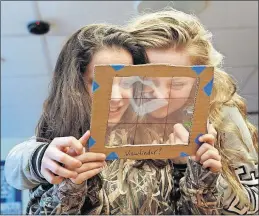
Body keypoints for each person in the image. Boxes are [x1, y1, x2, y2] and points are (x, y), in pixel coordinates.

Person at [5, 21, 222, 215]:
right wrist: (64, 183)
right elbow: (17, 165)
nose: (117, 97)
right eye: (98, 82)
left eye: (126, 81)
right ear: (75, 83)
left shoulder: (159, 135)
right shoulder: (56, 143)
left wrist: (198, 179)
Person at [127, 9, 258, 215]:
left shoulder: (222, 114)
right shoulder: (114, 117)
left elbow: (253, 207)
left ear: (199, 82)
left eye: (178, 83)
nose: (162, 96)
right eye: (148, 79)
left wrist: (205, 174)